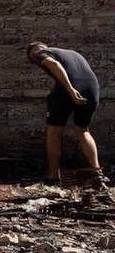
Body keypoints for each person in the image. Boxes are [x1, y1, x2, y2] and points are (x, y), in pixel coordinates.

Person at [26, 41, 102, 183]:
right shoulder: (73, 53)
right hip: (92, 89)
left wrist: (71, 91)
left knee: (54, 131)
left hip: (69, 89)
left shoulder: (38, 54)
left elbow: (54, 65)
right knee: (83, 130)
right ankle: (97, 173)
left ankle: (53, 175)